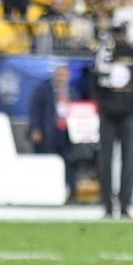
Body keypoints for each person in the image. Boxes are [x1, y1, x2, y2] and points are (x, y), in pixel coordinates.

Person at [92, 24, 133, 218]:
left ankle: (124, 206)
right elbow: (94, 83)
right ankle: (106, 206)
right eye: (116, 33)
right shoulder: (103, 55)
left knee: (129, 161)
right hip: (107, 116)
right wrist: (104, 105)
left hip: (128, 115)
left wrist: (130, 105)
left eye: (121, 33)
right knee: (105, 161)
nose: (119, 37)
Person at [28, 64, 78, 202]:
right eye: (59, 74)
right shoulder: (43, 90)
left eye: (64, 75)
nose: (61, 78)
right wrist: (35, 128)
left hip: (67, 134)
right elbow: (35, 111)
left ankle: (70, 193)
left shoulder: (73, 92)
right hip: (49, 131)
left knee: (69, 163)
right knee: (46, 162)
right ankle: (43, 191)